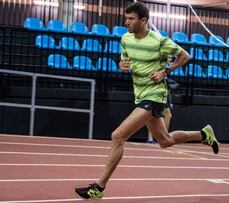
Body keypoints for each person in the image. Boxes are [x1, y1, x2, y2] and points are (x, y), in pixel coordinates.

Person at [75, 2, 219, 199]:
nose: (127, 22)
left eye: (131, 19)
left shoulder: (159, 41)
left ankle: (98, 188)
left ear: (144, 20)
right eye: (126, 18)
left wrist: (165, 71)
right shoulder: (125, 39)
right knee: (165, 141)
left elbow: (185, 56)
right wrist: (122, 65)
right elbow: (124, 61)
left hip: (155, 94)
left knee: (118, 136)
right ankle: (203, 134)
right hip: (140, 94)